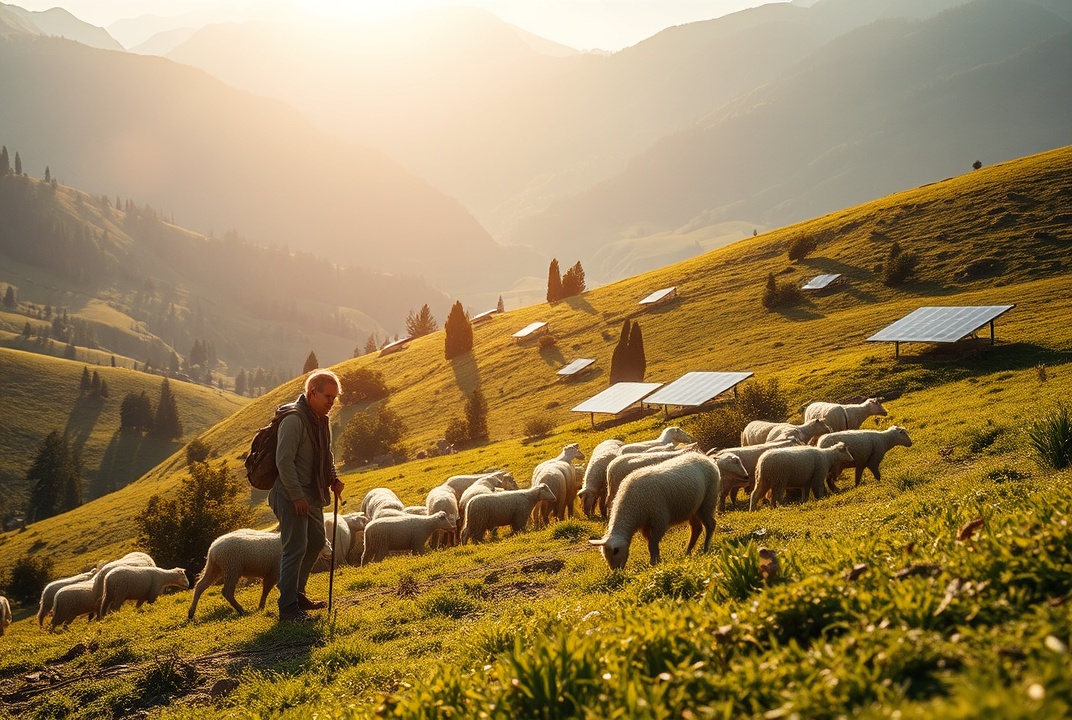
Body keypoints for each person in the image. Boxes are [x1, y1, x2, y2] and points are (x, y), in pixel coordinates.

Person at [269, 369, 345, 622]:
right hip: (290, 495)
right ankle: (288, 607)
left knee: (315, 541)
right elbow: (284, 461)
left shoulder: (322, 420)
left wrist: (333, 478)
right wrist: (296, 496)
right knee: (295, 548)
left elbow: (326, 453)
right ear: (312, 393)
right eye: (328, 397)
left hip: (312, 495)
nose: (331, 402)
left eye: (334, 397)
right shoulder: (294, 420)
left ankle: (297, 593)